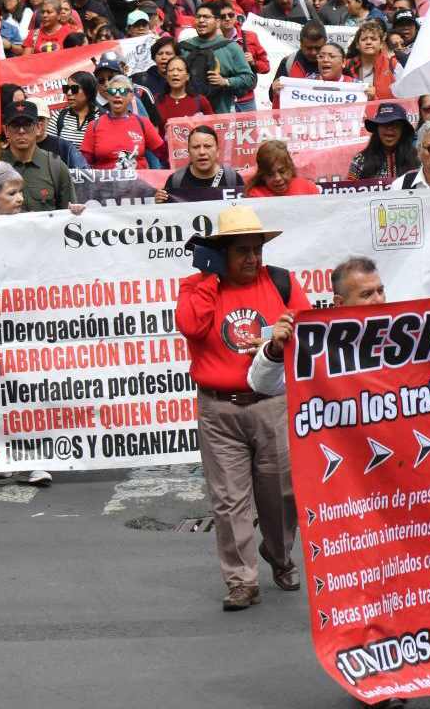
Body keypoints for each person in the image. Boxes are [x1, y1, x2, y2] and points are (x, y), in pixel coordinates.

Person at [176, 206, 306, 611]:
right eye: (242, 251)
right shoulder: (197, 287)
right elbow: (191, 327)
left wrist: (284, 341)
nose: (252, 258)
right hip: (220, 410)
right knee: (230, 500)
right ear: (221, 254)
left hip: (272, 405)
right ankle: (241, 580)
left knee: (281, 493)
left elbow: (307, 331)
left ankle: (280, 556)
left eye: (257, 250)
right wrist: (209, 279)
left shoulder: (281, 282)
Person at [247, 257, 385, 398]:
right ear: (339, 302)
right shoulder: (316, 342)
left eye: (380, 291)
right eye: (367, 294)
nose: (378, 300)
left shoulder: (403, 334)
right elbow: (263, 386)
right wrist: (274, 351)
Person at [177, 3, 259, 113]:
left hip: (221, 114)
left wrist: (225, 81)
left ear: (217, 22)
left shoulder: (231, 47)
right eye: (198, 16)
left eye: (206, 17)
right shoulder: (183, 48)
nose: (201, 20)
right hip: (188, 114)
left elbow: (249, 78)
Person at [0, 103, 77, 213]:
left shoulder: (55, 166)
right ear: (6, 131)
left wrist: (76, 212)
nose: (21, 131)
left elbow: (69, 213)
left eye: (27, 125)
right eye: (15, 125)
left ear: (38, 128)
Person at [82, 73, 167, 171]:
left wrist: (171, 138)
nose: (117, 95)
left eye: (122, 91)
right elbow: (84, 164)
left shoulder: (142, 123)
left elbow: (164, 154)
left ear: (131, 95)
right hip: (105, 185)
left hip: (138, 184)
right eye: (112, 91)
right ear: (108, 96)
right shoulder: (94, 126)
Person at [160, 125, 243, 202]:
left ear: (217, 151)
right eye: (196, 147)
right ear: (188, 151)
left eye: (207, 146)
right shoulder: (175, 181)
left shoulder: (233, 179)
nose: (202, 152)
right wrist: (159, 203)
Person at [348, 102, 420, 181]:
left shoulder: (417, 158)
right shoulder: (360, 160)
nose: (389, 128)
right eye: (384, 123)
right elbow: (349, 189)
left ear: (403, 130)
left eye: (395, 124)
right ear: (377, 128)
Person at [245, 140, 320, 198]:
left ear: (290, 168)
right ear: (262, 176)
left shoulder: (309, 188)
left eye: (282, 171)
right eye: (270, 174)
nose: (277, 178)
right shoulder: (255, 196)